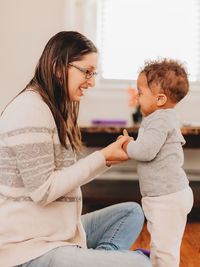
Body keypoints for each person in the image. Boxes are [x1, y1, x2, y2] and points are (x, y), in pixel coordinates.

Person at [0, 31, 152, 267]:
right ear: (58, 68)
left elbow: (63, 180)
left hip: (59, 232)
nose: (91, 81)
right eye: (87, 71)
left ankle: (97, 260)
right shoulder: (29, 110)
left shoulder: (50, 108)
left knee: (131, 213)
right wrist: (101, 157)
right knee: (142, 264)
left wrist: (105, 159)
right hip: (28, 249)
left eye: (94, 73)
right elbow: (44, 191)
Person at [121, 59, 194, 267]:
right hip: (165, 196)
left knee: (164, 250)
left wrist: (127, 145)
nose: (137, 96)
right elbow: (148, 146)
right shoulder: (161, 119)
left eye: (141, 93)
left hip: (167, 197)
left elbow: (145, 151)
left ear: (160, 99)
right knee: (161, 245)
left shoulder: (160, 120)